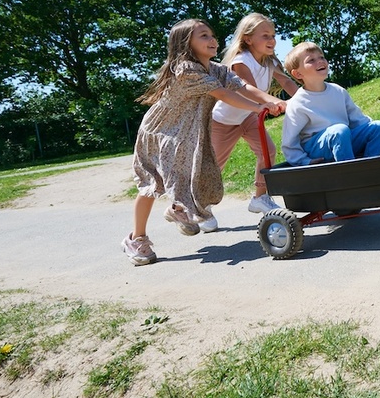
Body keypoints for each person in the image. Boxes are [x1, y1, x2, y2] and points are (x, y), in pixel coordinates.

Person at [122, 18, 285, 266]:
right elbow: (224, 94)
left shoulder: (216, 68)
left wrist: (271, 102)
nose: (213, 40)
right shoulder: (186, 69)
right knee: (153, 184)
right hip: (160, 131)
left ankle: (181, 210)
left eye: (212, 35)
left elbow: (242, 86)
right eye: (204, 36)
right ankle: (137, 238)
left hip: (186, 131)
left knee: (191, 173)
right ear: (186, 43)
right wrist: (258, 107)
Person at [210, 13, 300, 227]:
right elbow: (248, 90)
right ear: (248, 39)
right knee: (214, 167)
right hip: (224, 121)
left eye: (273, 35)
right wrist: (272, 102)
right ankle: (199, 205)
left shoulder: (269, 61)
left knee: (267, 151)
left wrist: (303, 101)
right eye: (265, 36)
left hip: (249, 116)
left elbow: (286, 82)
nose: (272, 40)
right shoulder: (240, 62)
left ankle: (260, 197)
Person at [280, 41, 380, 166]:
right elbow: (290, 141)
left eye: (321, 57)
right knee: (339, 130)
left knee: (378, 127)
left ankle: (371, 166)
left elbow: (357, 118)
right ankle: (351, 172)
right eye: (311, 60)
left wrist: (377, 135)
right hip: (317, 148)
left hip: (343, 139)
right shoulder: (298, 103)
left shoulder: (338, 91)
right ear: (298, 73)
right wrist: (304, 161)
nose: (320, 61)